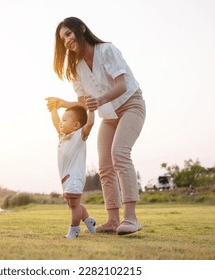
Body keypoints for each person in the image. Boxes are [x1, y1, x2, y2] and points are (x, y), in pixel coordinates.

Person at [48, 17, 146, 235]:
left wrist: (100, 100)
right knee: (104, 166)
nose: (67, 42)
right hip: (109, 116)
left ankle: (131, 218)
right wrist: (64, 104)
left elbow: (122, 85)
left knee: (119, 153)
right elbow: (84, 105)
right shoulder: (76, 69)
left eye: (68, 34)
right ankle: (113, 220)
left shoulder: (106, 50)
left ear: (81, 29)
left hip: (131, 104)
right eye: (62, 40)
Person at [46, 102, 96, 238]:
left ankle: (74, 230)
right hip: (65, 178)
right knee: (73, 203)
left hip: (74, 176)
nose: (61, 123)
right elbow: (56, 123)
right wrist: (53, 109)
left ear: (76, 125)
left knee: (74, 205)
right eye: (61, 120)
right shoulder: (63, 137)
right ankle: (89, 220)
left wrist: (91, 110)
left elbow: (90, 124)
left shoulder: (79, 136)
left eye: (65, 120)